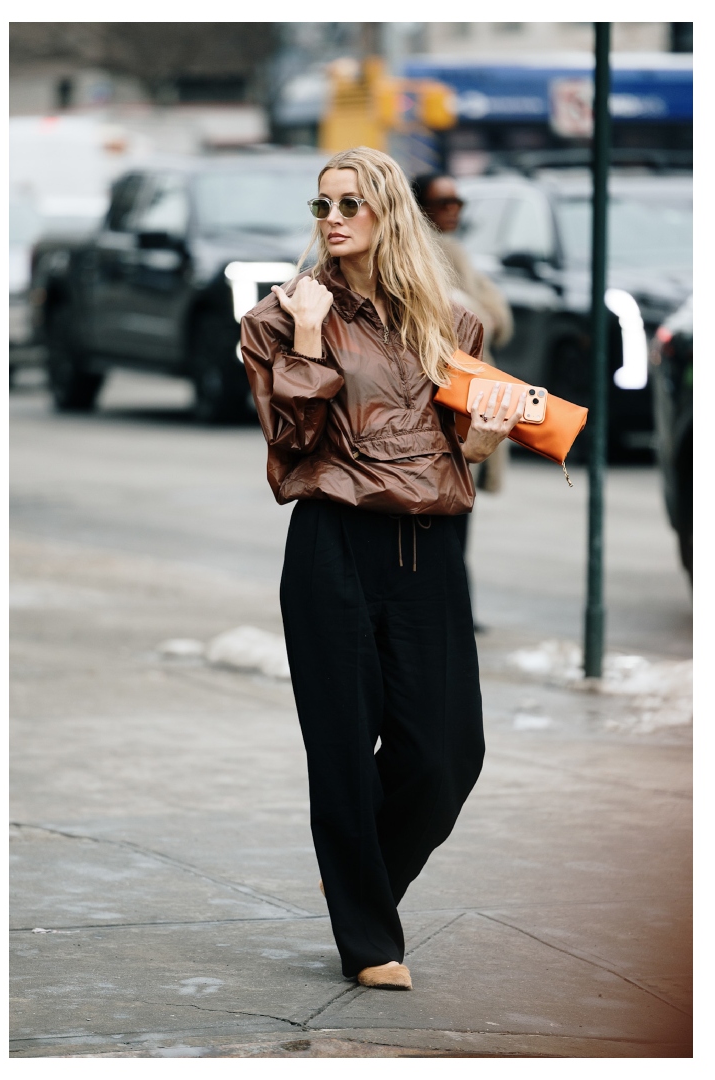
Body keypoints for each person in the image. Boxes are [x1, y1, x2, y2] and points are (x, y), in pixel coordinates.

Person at [240, 147, 523, 990]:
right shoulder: (277, 318)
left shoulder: (450, 321)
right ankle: (369, 941)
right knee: (340, 748)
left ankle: (361, 876)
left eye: (349, 204)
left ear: (389, 213)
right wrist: (308, 336)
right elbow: (290, 442)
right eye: (321, 205)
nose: (331, 219)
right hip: (332, 544)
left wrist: (486, 437)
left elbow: (458, 446)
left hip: (427, 549)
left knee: (447, 755)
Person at [413, 172, 516, 626]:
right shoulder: (431, 254)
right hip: (451, 400)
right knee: (449, 512)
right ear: (420, 207)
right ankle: (453, 611)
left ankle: (455, 609)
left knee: (453, 511)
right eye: (443, 202)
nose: (453, 209)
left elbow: (496, 318)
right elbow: (482, 319)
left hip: (468, 395)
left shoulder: (456, 252)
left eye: (458, 201)